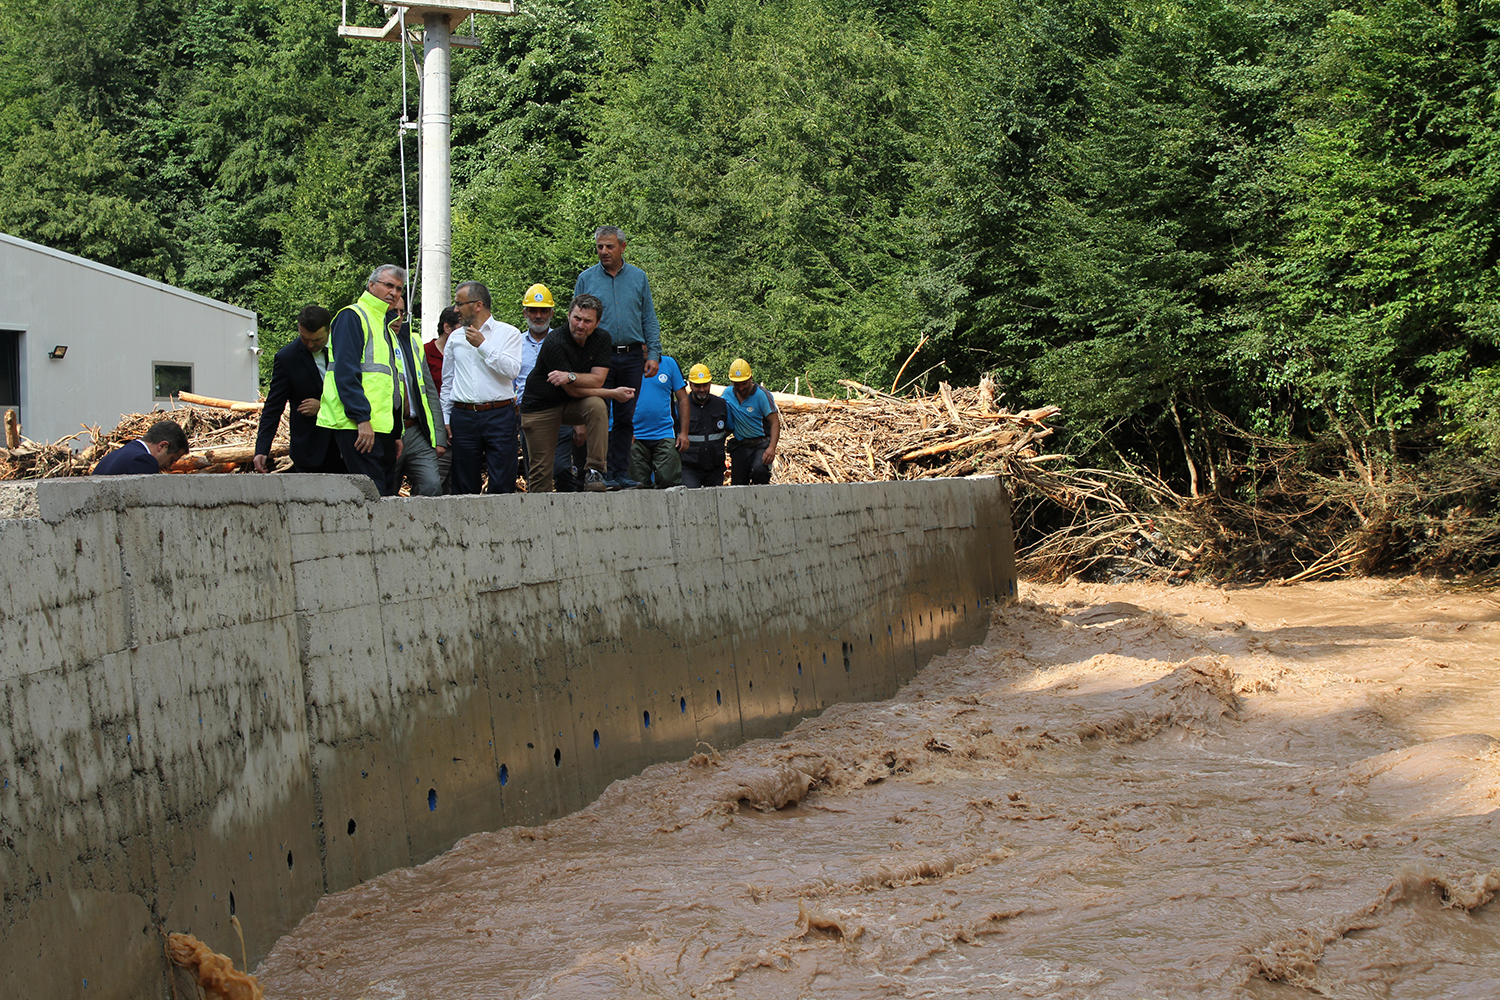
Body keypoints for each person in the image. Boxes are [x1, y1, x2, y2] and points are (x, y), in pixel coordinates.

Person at [572, 226, 661, 488]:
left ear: (622, 247)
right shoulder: (586, 279)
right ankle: (598, 472)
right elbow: (576, 320)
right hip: (598, 356)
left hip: (633, 355)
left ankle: (620, 472)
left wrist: (653, 353)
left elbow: (649, 317)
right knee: (598, 412)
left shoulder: (638, 277)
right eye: (600, 247)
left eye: (609, 246)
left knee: (625, 417)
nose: (604, 252)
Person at [518, 294, 634, 493]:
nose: (581, 325)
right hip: (540, 406)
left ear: (597, 323)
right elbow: (573, 390)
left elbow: (597, 379)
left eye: (588, 321)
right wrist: (613, 393)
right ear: (569, 315)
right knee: (541, 473)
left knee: (597, 405)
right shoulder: (555, 341)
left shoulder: (602, 339)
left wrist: (569, 375)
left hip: (570, 404)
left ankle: (596, 470)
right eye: (577, 319)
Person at [316, 264, 408, 495]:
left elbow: (391, 384)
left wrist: (395, 433)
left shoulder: (385, 324)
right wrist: (361, 419)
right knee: (373, 495)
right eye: (388, 285)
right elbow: (346, 373)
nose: (394, 293)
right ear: (371, 285)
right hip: (358, 427)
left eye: (398, 289)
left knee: (385, 493)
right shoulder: (353, 316)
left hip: (380, 429)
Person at [441, 281, 524, 495]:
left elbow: (512, 370)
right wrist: (446, 418)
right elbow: (447, 381)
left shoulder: (509, 333)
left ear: (478, 305)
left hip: (500, 414)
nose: (455, 309)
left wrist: (483, 345)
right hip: (463, 416)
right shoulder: (455, 338)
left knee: (503, 481)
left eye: (460, 304)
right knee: (464, 482)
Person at [254, 306, 346, 475]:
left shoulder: (347, 349)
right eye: (305, 339)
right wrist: (262, 449)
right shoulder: (287, 358)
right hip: (310, 453)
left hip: (347, 449)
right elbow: (273, 407)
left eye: (317, 340)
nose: (310, 344)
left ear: (329, 330)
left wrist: (323, 406)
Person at [389, 292, 447, 496]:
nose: (397, 317)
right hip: (387, 431)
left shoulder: (413, 341)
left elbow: (429, 391)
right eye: (392, 312)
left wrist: (439, 436)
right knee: (386, 490)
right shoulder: (372, 340)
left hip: (416, 430)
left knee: (431, 485)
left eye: (401, 312)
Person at [628, 353, 688, 488]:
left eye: (647, 342)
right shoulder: (626, 364)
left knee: (670, 481)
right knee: (636, 485)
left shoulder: (669, 363)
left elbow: (683, 399)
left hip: (665, 433)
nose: (644, 347)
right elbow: (615, 399)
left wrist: (684, 433)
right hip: (635, 436)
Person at [724, 358, 780, 486]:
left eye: (744, 383)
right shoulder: (728, 394)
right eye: (737, 384)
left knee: (759, 471)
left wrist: (771, 448)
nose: (741, 388)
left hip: (760, 443)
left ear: (750, 378)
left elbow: (775, 423)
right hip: (740, 444)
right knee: (738, 481)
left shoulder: (761, 395)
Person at [428, 305, 463, 493]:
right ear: (447, 328)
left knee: (456, 484)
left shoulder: (465, 352)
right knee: (435, 482)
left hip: (461, 427)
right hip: (436, 430)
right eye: (460, 328)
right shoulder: (425, 353)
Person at [681, 363, 729, 489]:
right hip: (689, 467)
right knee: (692, 500)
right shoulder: (681, 406)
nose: (702, 389)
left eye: (705, 385)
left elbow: (729, 428)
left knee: (715, 504)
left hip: (715, 468)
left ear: (710, 384)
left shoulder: (721, 404)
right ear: (690, 385)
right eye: (697, 386)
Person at [93, 419, 189, 475]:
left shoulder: (110, 457)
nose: (168, 467)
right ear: (162, 446)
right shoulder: (143, 462)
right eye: (171, 460)